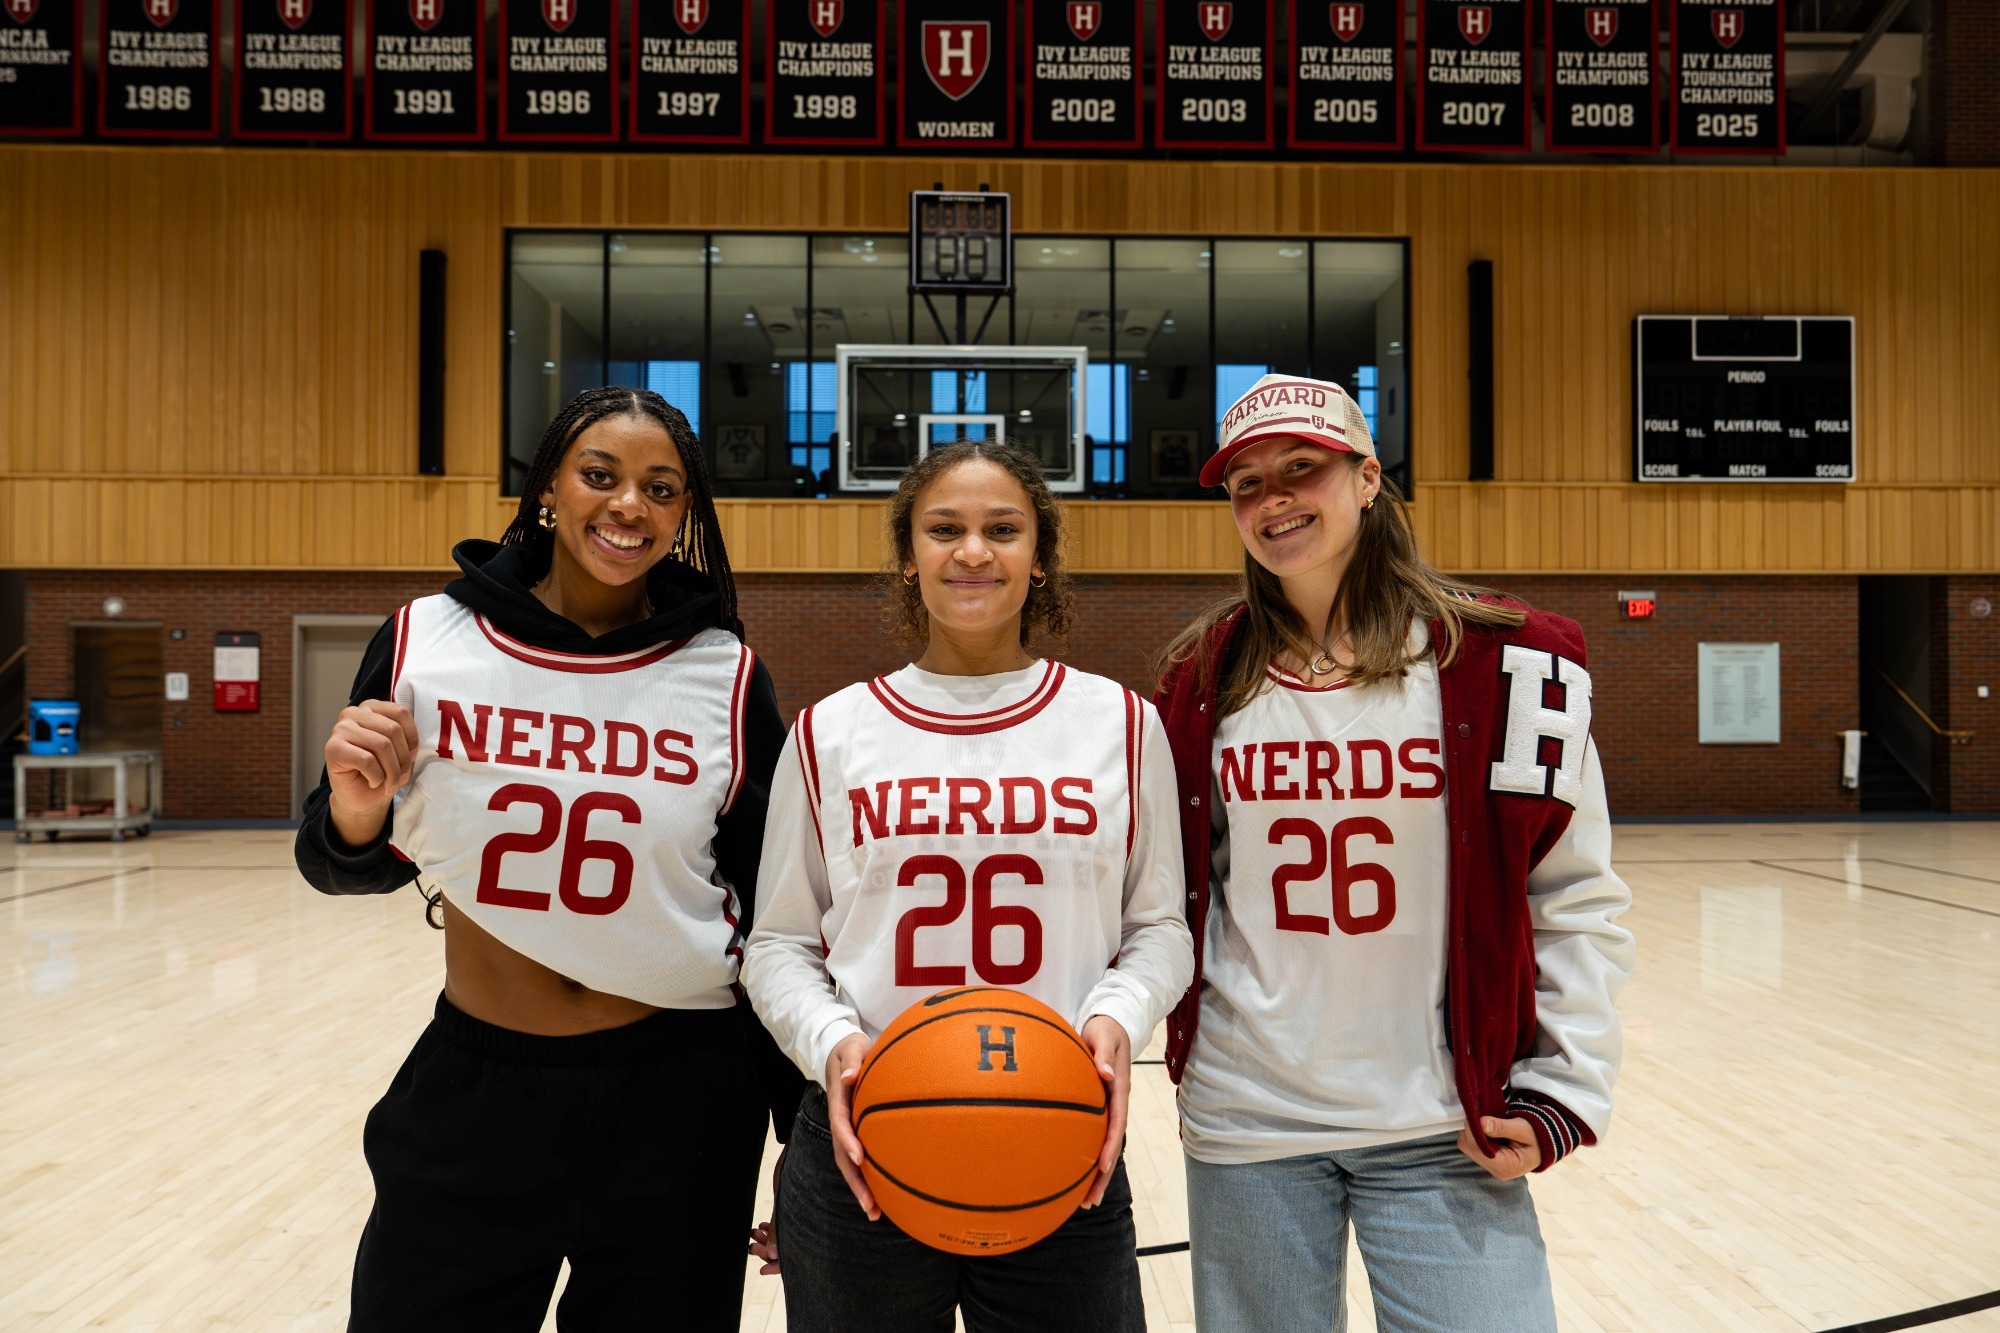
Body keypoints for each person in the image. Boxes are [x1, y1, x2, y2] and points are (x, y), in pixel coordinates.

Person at [294, 386, 803, 1332]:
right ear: (548, 491)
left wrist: (797, 1140)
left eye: (661, 488)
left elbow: (770, 915)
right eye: (599, 476)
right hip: (481, 1089)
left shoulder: (724, 675)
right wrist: (359, 811)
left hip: (682, 1099)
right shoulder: (428, 640)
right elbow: (338, 859)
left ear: (683, 515)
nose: (628, 506)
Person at [1152, 374, 1636, 1333]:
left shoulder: (1510, 663)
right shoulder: (1200, 678)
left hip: (1442, 1123)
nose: (1274, 499)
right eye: (1246, 483)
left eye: (1302, 468)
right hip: (1249, 1118)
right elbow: (1171, 895)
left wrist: (1562, 1090)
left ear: (1368, 477)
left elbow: (1575, 892)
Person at [741, 441, 1195, 1333]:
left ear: (1040, 553)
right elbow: (779, 945)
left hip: (1060, 1133)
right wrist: (834, 1042)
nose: (973, 551)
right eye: (944, 529)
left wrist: (1117, 1017)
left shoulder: (1122, 723)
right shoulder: (832, 730)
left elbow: (1161, 928)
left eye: (1003, 529)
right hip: (866, 1143)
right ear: (909, 556)